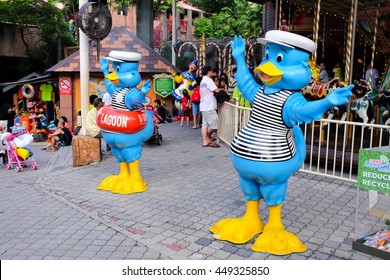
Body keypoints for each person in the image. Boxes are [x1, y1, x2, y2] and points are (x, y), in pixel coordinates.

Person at [200, 66, 221, 148]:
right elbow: (216, 90)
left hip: (203, 105)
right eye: (212, 71)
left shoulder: (203, 80)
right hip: (209, 106)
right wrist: (222, 89)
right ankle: (206, 138)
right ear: (209, 72)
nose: (213, 73)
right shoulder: (208, 80)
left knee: (204, 124)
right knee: (215, 121)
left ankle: (205, 141)